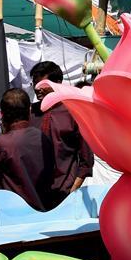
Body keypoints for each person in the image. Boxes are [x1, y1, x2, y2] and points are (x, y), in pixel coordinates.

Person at [30, 61, 94, 207]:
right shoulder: (31, 112)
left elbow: (86, 161)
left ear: (58, 83)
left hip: (63, 193)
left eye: (42, 84)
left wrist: (72, 191)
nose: (37, 88)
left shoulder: (73, 112)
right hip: (33, 194)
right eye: (35, 83)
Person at [0, 88, 54, 211]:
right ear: (29, 110)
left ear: (2, 114)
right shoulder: (42, 137)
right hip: (41, 209)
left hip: (11, 211)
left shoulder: (3, 143)